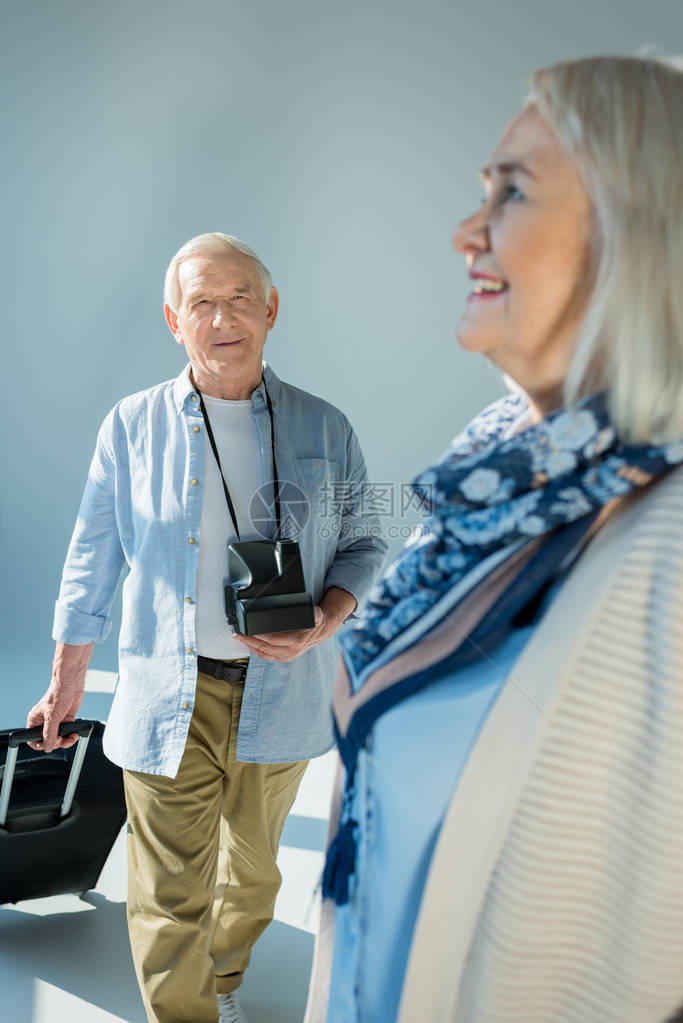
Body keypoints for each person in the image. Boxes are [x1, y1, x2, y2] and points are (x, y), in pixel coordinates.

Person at [305, 55, 683, 1023]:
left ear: (639, 227)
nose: (463, 234)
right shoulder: (502, 466)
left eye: (510, 192)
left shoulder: (668, 539)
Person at [27, 232, 387, 1023]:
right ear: (172, 318)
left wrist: (325, 618)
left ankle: (220, 977)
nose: (223, 317)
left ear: (271, 309)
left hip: (282, 689)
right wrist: (65, 678)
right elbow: (92, 556)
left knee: (254, 874)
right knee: (166, 886)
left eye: (239, 298)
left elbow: (364, 541)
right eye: (201, 302)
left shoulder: (326, 427)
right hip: (167, 688)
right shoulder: (130, 426)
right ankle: (183, 1011)